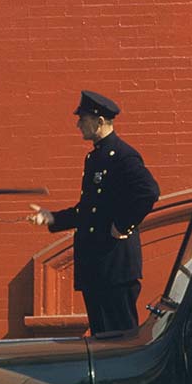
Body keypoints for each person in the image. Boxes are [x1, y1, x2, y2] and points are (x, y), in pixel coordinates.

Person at [28, 90, 160, 335]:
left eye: (83, 119)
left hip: (115, 268)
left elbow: (149, 191)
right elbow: (89, 210)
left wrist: (123, 225)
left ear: (99, 122)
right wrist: (53, 218)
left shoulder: (122, 156)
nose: (78, 124)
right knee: (102, 339)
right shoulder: (95, 158)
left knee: (119, 339)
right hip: (97, 267)